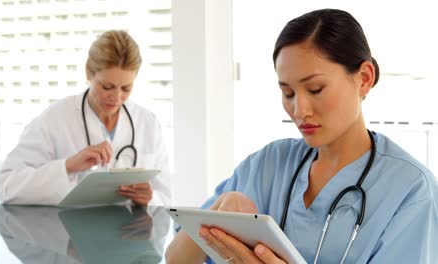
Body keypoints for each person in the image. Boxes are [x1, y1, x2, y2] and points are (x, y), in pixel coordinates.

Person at [166, 8, 438, 264]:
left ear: (364, 78)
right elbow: (175, 257)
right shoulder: (268, 164)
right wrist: (219, 209)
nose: (299, 110)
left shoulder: (410, 190)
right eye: (288, 93)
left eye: (316, 89)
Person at [0, 30, 171, 206]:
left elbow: (166, 196)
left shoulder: (147, 123)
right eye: (107, 86)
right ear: (89, 72)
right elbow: (7, 186)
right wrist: (68, 166)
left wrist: (150, 198)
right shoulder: (55, 119)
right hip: (66, 230)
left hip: (130, 231)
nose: (116, 97)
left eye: (126, 88)